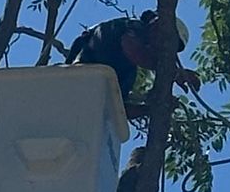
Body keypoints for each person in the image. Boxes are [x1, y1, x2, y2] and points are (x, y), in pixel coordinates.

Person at [65, 9, 201, 116]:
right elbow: (132, 48)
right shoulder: (131, 27)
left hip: (81, 107)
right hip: (76, 76)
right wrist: (174, 73)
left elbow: (119, 111)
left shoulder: (128, 72)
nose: (163, 45)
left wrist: (151, 108)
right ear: (155, 24)